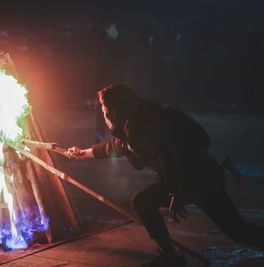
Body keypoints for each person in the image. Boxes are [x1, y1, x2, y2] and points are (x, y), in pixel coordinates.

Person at [65, 83, 264, 267]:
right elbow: (117, 147)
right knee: (238, 229)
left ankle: (172, 257)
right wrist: (84, 153)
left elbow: (167, 155)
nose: (105, 116)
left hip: (197, 180)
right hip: (200, 175)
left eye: (105, 112)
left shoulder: (140, 127)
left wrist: (175, 192)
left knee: (237, 230)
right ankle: (171, 256)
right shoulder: (139, 119)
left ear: (115, 111)